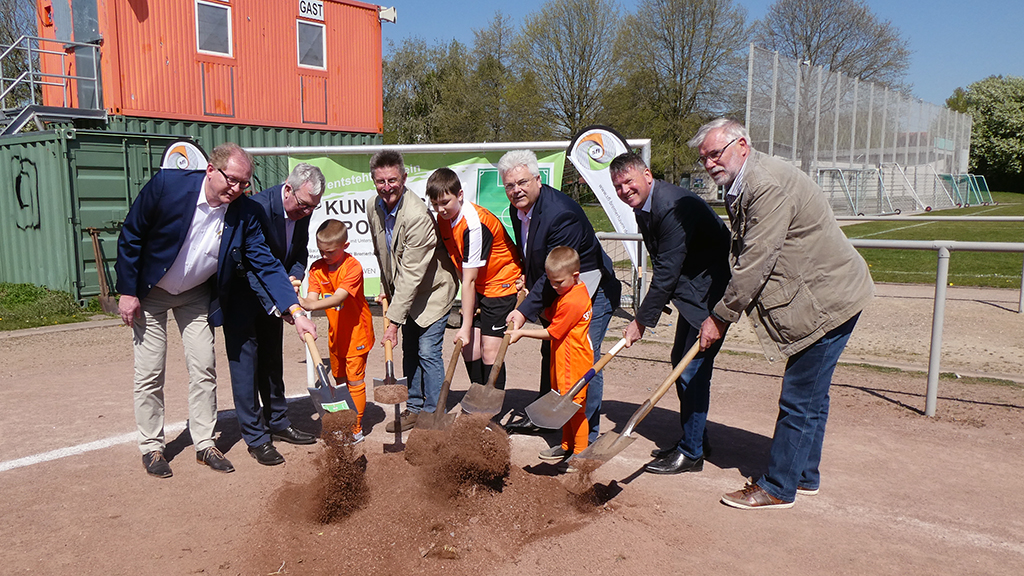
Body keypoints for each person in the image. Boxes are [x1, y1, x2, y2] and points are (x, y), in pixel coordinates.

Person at [689, 118, 874, 509]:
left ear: (741, 144)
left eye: (714, 153)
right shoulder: (741, 182)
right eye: (704, 157)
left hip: (828, 299)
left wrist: (720, 316)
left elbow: (756, 260)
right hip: (826, 294)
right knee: (811, 397)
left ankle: (778, 486)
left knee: (799, 397)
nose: (708, 163)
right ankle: (804, 475)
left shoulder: (764, 184)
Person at [115, 142, 317, 478]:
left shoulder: (244, 212)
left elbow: (265, 263)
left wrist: (295, 312)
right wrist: (127, 290)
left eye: (244, 183)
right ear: (211, 170)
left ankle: (205, 443)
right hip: (151, 292)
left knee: (204, 368)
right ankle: (152, 447)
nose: (237, 189)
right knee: (151, 371)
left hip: (195, 294)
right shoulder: (168, 186)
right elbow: (132, 234)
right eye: (232, 180)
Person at [609, 152, 732, 475]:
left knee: (691, 370)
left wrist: (641, 320)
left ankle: (691, 453)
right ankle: (695, 439)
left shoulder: (672, 206)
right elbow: (665, 262)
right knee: (681, 360)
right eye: (618, 186)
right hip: (691, 289)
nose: (624, 190)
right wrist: (652, 308)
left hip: (710, 292)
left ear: (647, 175)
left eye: (629, 182)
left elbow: (667, 271)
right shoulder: (645, 207)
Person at [500, 149, 621, 442]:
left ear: (538, 180)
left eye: (523, 182)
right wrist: (525, 282)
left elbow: (551, 272)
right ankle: (551, 420)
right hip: (558, 287)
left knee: (584, 357)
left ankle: (587, 437)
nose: (516, 190)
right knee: (553, 351)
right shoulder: (520, 209)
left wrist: (523, 311)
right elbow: (535, 256)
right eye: (510, 185)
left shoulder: (560, 215)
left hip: (591, 287)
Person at [220, 163, 325, 466]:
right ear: (288, 189)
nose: (306, 212)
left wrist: (294, 278)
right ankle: (256, 437)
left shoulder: (302, 211)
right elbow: (252, 264)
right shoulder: (257, 208)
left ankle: (279, 423)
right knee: (246, 368)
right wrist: (284, 305)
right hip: (245, 294)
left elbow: (299, 252)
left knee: (271, 361)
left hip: (278, 294)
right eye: (304, 205)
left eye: (312, 208)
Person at [365, 150, 458, 432]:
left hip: (433, 292)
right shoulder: (373, 206)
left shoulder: (417, 216)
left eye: (392, 180)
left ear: (404, 178)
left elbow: (412, 274)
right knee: (409, 350)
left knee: (428, 351)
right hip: (406, 293)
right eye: (381, 181)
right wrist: (384, 287)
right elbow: (382, 253)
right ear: (374, 181)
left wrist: (392, 322)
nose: (387, 187)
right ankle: (414, 408)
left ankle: (433, 413)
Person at [425, 167, 522, 391]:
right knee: (470, 350)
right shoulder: (443, 219)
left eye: (445, 202)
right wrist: (472, 303)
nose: (441, 209)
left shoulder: (475, 225)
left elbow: (468, 280)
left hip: (501, 284)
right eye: (435, 204)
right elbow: (459, 262)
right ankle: (478, 395)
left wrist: (465, 326)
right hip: (477, 285)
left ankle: (491, 413)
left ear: (459, 195)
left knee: (489, 349)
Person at [508, 246, 592, 469]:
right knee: (562, 404)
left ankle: (581, 454)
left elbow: (553, 331)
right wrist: (525, 300)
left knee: (574, 408)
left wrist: (522, 332)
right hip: (562, 358)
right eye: (551, 282)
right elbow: (550, 314)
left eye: (558, 282)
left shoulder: (574, 299)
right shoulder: (567, 293)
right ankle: (566, 446)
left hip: (573, 362)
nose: (554, 287)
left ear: (575, 276)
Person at [300, 220, 375, 441]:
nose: (325, 256)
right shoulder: (316, 268)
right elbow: (312, 295)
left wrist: (309, 305)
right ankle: (343, 421)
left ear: (346, 245)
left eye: (330, 252)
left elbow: (339, 296)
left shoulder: (353, 267)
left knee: (354, 382)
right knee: (340, 381)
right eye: (321, 251)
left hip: (356, 333)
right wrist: (301, 300)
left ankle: (356, 428)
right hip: (336, 334)